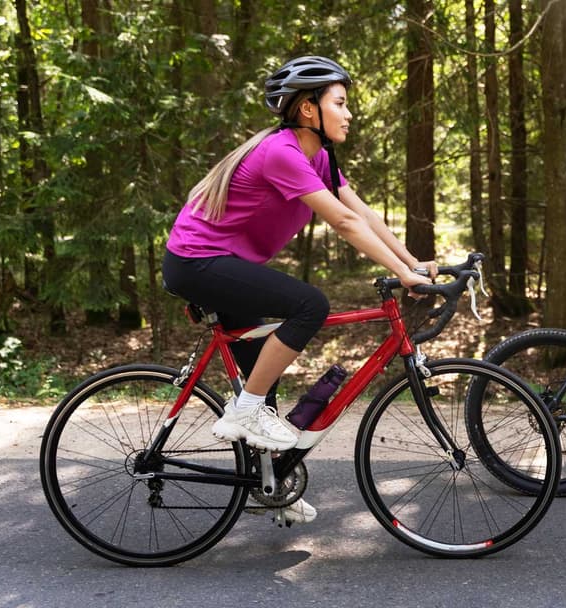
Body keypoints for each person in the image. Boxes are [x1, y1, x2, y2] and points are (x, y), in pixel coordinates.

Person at [162, 56, 434, 523]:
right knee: (309, 304)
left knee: (260, 378)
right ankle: (244, 411)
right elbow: (345, 223)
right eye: (340, 103)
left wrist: (412, 264)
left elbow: (362, 212)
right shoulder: (281, 153)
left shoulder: (319, 156)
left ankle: (269, 485)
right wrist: (404, 275)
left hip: (220, 265)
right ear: (309, 109)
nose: (349, 114)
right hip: (197, 262)